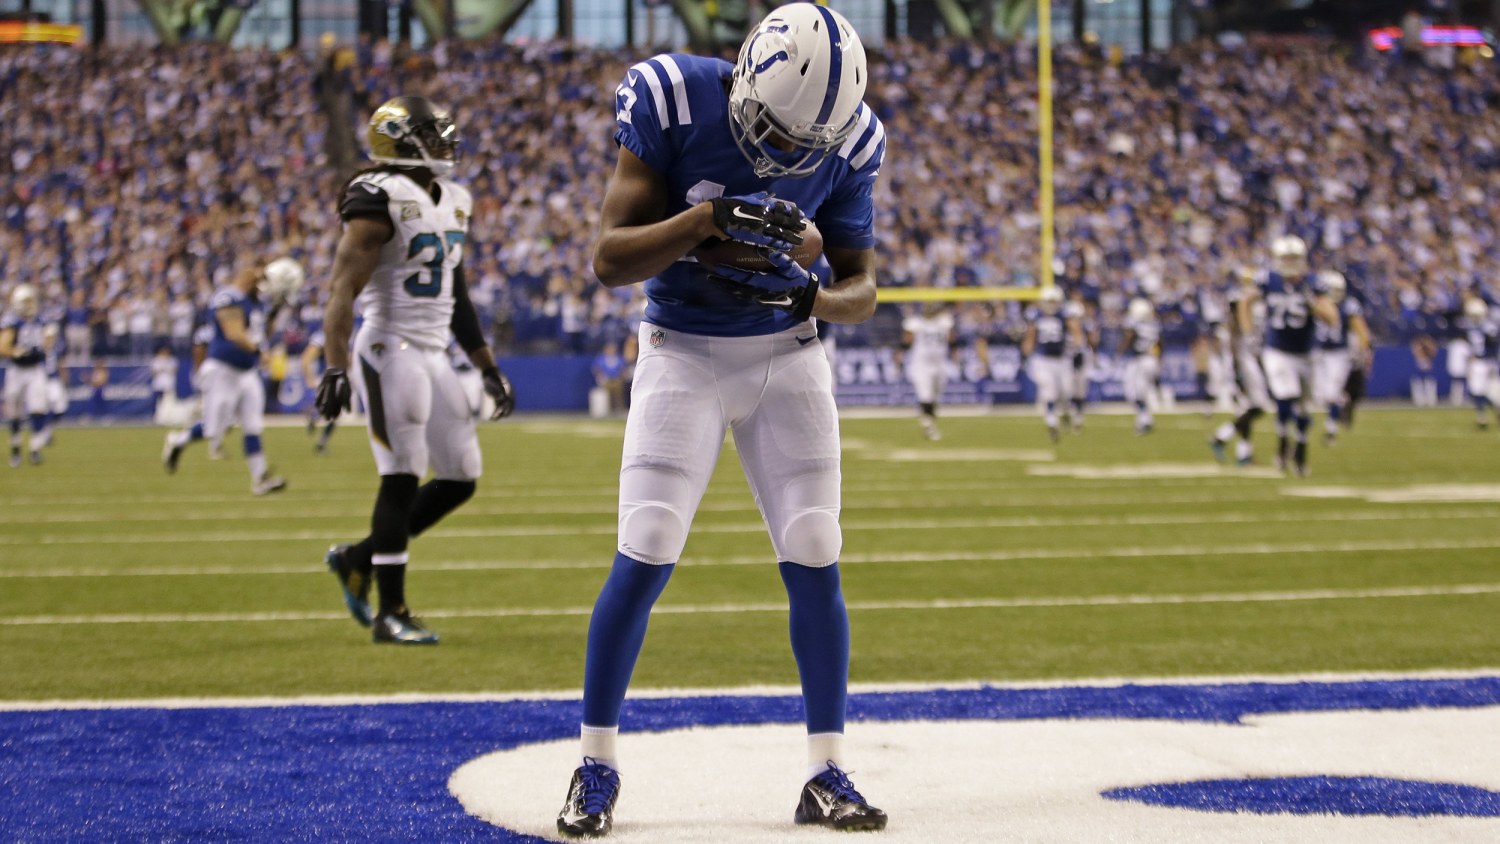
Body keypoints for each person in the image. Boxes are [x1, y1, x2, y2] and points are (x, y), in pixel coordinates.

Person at [556, 4, 888, 837]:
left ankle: (826, 771)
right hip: (682, 351)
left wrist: (811, 294)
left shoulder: (850, 139)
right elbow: (608, 258)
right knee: (649, 542)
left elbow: (863, 287)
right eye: (775, 134)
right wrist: (704, 222)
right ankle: (595, 762)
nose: (787, 157)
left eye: (805, 145)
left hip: (789, 353)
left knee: (816, 545)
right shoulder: (671, 95)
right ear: (743, 80)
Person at [315, 95, 516, 646]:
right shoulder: (376, 197)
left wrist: (487, 366)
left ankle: (358, 558)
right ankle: (390, 610)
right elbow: (342, 288)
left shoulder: (454, 198)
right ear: (400, 140)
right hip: (388, 344)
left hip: (432, 351)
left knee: (459, 476)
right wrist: (334, 366)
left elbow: (456, 291)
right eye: (432, 135)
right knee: (401, 473)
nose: (444, 144)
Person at [161, 263, 288, 495]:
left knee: (252, 425)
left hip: (246, 372)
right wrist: (260, 351)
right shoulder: (228, 296)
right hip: (223, 370)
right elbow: (234, 333)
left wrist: (275, 313)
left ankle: (260, 478)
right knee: (214, 430)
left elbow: (261, 335)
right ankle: (177, 440)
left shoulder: (255, 303)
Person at [1240, 235, 1337, 476]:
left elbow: (1332, 316)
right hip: (1278, 350)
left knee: (1304, 409)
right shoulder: (1268, 280)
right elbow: (1245, 302)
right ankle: (1283, 438)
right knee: (1286, 395)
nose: (1289, 262)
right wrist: (1249, 332)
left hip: (1306, 352)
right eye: (1286, 257)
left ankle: (1300, 447)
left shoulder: (1314, 283)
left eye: (1293, 257)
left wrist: (1313, 304)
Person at [1210, 268, 1275, 466]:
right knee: (1256, 406)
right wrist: (1237, 365)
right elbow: (1233, 332)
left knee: (1249, 408)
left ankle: (1242, 452)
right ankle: (1222, 438)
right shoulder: (1239, 301)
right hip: (1240, 360)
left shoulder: (1258, 303)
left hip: (1248, 359)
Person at [1310, 271, 1370, 444]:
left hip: (1338, 354)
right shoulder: (1316, 303)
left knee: (1332, 393)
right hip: (1318, 351)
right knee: (1320, 396)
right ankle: (1343, 401)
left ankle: (1331, 430)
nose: (1336, 293)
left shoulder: (1348, 305)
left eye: (1338, 289)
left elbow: (1360, 329)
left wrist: (1363, 350)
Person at [1, 284, 55, 467]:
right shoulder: (13, 321)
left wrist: (48, 341)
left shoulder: (42, 320)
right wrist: (15, 351)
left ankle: (34, 449)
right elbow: (3, 347)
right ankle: (16, 450)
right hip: (16, 370)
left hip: (35, 369)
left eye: (31, 300)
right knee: (14, 412)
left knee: (37, 408)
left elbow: (48, 344)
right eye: (26, 301)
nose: (30, 304)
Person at [1022, 286, 1083, 442]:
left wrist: (1078, 341)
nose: (1051, 304)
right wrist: (1027, 347)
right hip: (1043, 358)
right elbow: (1031, 333)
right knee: (1048, 389)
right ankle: (1051, 421)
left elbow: (1074, 329)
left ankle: (1065, 412)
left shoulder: (1064, 314)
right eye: (1049, 301)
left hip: (1062, 359)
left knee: (1066, 391)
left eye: (1053, 301)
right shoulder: (1036, 315)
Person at [901, 301, 955, 441]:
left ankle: (930, 422)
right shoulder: (915, 324)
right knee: (925, 395)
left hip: (939, 364)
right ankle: (928, 425)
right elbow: (906, 341)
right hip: (921, 365)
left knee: (935, 397)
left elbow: (952, 339)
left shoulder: (943, 322)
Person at [1120, 296, 1161, 435]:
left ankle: (1144, 420)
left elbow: (1128, 337)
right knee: (1140, 392)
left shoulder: (1135, 323)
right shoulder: (1153, 324)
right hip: (1152, 359)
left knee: (1134, 392)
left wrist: (1119, 351)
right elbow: (1160, 344)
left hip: (1140, 360)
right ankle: (1144, 419)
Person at [1460, 295, 1499, 429]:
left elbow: (1494, 344)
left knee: (1489, 391)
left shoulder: (1489, 327)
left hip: (1487, 362)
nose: (1473, 317)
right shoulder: (1471, 326)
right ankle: (1484, 415)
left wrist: (1493, 361)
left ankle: (1486, 414)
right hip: (1478, 362)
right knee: (1478, 390)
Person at [301, 330, 339, 454]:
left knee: (334, 414)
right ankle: (315, 417)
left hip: (336, 377)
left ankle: (315, 417)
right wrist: (309, 378)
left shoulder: (343, 334)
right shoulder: (322, 336)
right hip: (326, 377)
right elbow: (306, 358)